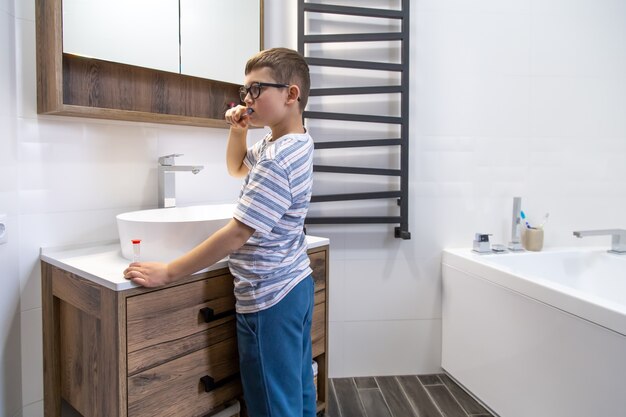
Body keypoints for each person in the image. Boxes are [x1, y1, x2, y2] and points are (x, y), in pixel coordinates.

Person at [123, 47, 316, 417]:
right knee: (298, 392)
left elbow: (236, 235)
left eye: (257, 89)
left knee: (274, 405)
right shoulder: (290, 141)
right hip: (294, 283)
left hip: (269, 296)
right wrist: (237, 130)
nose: (247, 99)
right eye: (245, 91)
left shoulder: (278, 159)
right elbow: (237, 169)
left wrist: (169, 271)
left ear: (292, 94)